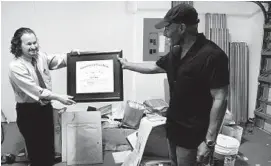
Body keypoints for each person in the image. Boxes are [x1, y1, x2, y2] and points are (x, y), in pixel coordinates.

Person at [118, 4, 229, 166]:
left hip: (194, 134)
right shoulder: (176, 53)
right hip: (173, 127)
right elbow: (155, 67)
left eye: (168, 28)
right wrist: (127, 65)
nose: (165, 33)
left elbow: (221, 98)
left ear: (182, 28)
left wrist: (209, 141)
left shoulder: (213, 56)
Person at [9, 27, 77, 166]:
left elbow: (57, 60)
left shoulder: (40, 57)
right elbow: (36, 91)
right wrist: (59, 97)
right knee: (36, 150)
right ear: (18, 45)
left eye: (35, 42)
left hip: (45, 108)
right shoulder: (15, 67)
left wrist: (72, 57)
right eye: (28, 44)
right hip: (28, 112)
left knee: (48, 146)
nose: (33, 47)